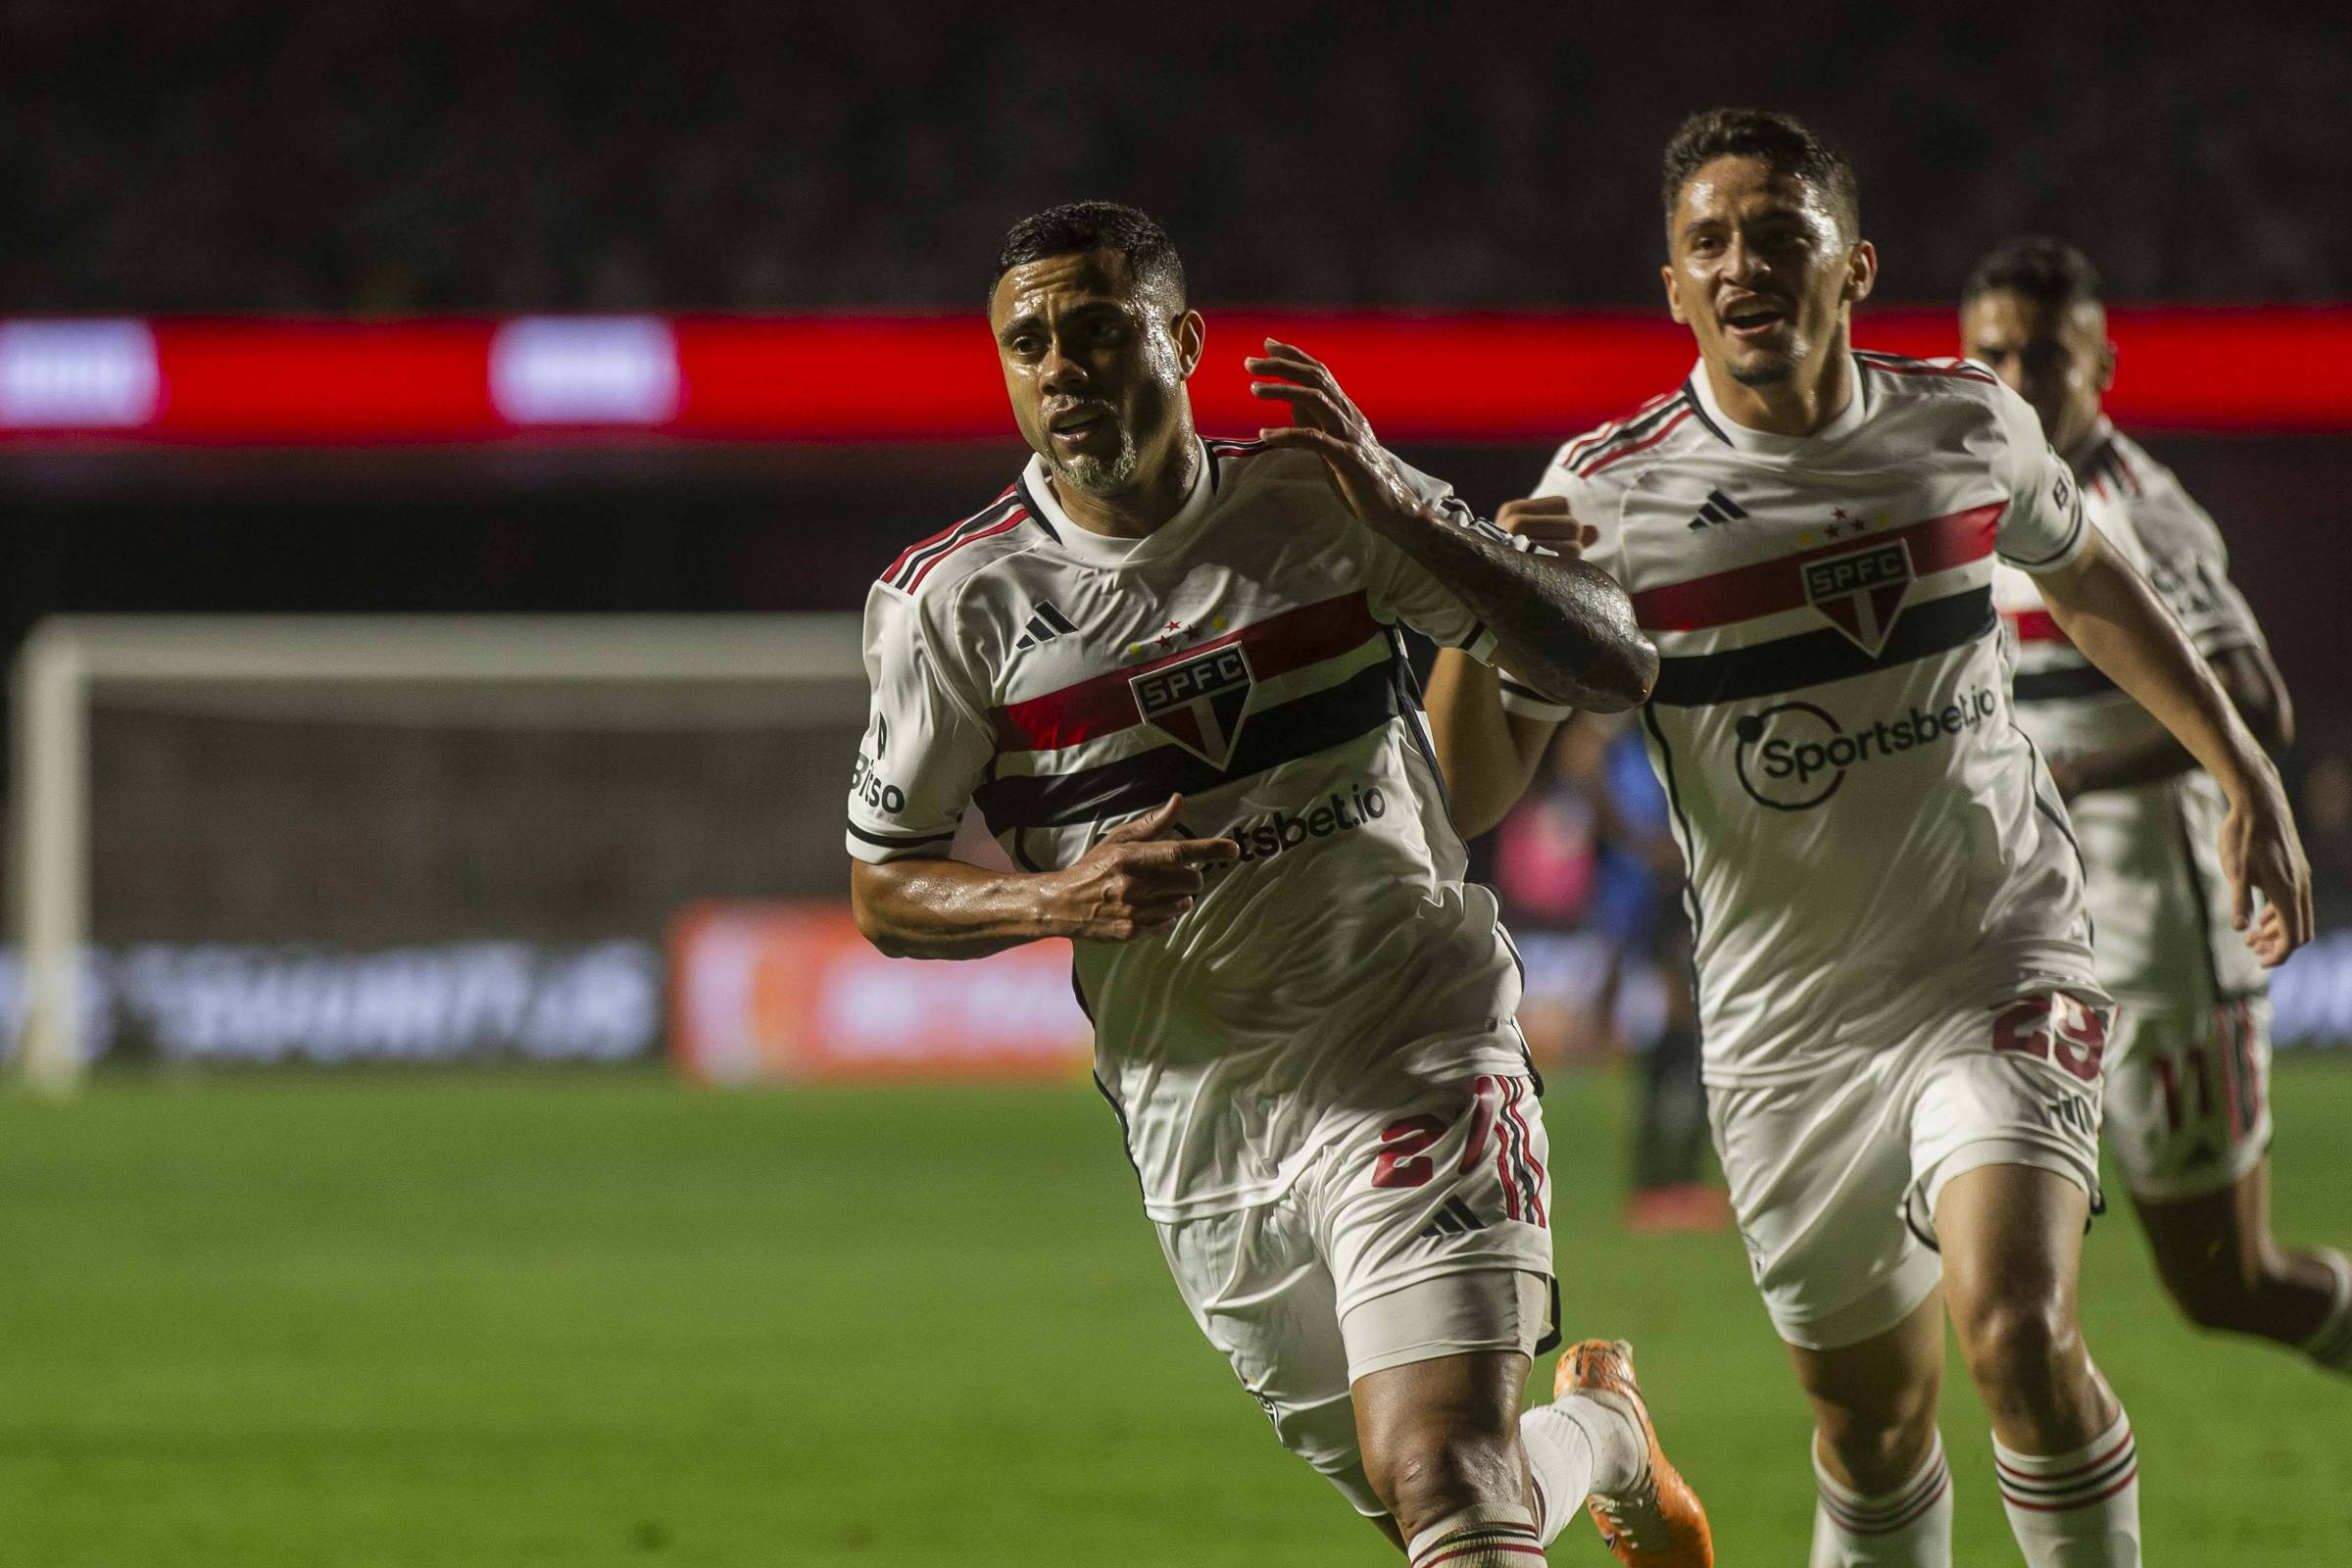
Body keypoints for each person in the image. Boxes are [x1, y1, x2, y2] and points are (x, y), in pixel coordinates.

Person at [1419, 110, 2311, 1567]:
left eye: (1779, 232)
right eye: (1708, 241)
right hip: (1786, 1029)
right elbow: (1465, 792)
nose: (1743, 263)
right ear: (1673, 288)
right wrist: (1489, 605)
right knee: (1872, 1431)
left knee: (2017, 1335)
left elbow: (2087, 573)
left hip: (1998, 954)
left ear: (1855, 266)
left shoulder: (1959, 423)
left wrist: (2241, 770)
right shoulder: (1608, 495)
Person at [844, 201, 1712, 1567]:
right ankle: (1601, 1437)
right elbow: (886, 887)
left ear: (1180, 341)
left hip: (1411, 1041)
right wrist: (1051, 903)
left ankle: (1557, 1451)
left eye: (1095, 329)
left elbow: (1615, 665)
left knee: (1447, 1478)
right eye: (1028, 341)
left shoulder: (1320, 496)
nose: (1060, 365)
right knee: (1437, 1497)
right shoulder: (956, 604)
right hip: (1201, 1122)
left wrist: (1415, 520)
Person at [1965, 235, 2352, 1372]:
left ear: (2103, 366)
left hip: (2162, 938)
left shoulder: (2138, 507)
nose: (2018, 378)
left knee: (2225, 1282)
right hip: (2022, 942)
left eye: (2045, 355)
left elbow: (2256, 699)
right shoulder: (1972, 501)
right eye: (1992, 353)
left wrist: (2076, 774)